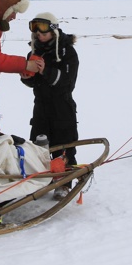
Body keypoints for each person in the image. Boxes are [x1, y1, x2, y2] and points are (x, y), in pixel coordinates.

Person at [21, 13, 79, 200]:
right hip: (41, 107)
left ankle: (64, 184)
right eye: (35, 28)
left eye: (43, 28)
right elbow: (33, 83)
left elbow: (67, 83)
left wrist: (45, 70)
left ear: (53, 29)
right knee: (39, 146)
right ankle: (41, 181)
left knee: (64, 146)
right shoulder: (34, 52)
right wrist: (26, 77)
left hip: (62, 107)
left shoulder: (67, 52)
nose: (39, 33)